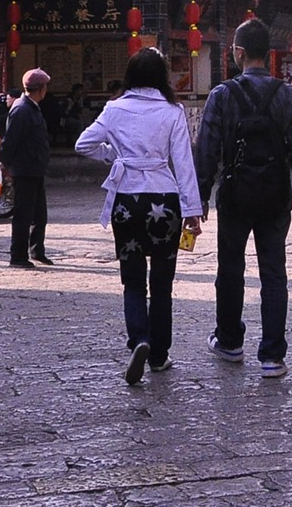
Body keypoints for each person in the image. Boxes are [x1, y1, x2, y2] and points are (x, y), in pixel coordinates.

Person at [194, 18, 292, 378]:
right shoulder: (289, 96)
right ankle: (272, 355)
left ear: (239, 52)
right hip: (275, 194)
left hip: (234, 194)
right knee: (274, 273)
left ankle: (230, 341)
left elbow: (207, 149)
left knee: (230, 269)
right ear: (269, 53)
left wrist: (200, 196)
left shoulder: (222, 95)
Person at [75, 47, 203, 384]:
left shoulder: (114, 109)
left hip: (126, 202)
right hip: (164, 198)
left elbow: (83, 144)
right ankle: (159, 355)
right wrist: (193, 211)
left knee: (132, 280)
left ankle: (139, 339)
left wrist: (114, 157)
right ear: (162, 76)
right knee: (161, 285)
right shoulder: (173, 111)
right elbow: (184, 163)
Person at [1, 68, 54, 268]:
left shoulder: (31, 107)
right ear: (40, 89)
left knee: (39, 214)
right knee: (23, 215)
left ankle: (36, 250)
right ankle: (18, 256)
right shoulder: (22, 109)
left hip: (35, 168)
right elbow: (10, 140)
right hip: (24, 170)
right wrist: (6, 164)